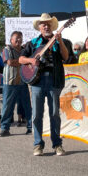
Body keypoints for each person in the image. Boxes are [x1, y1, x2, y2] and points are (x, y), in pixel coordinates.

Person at [19, 13, 68, 156]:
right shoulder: (32, 43)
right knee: (36, 115)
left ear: (52, 26)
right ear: (39, 27)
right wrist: (31, 61)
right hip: (37, 82)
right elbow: (21, 59)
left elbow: (65, 56)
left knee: (54, 114)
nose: (46, 26)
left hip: (54, 80)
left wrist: (60, 41)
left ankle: (57, 144)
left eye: (48, 24)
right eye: (43, 24)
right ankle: (38, 145)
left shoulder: (60, 41)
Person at [0, 31, 32, 137]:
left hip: (23, 82)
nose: (18, 40)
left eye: (20, 38)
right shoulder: (7, 49)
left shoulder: (24, 50)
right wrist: (25, 61)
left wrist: (26, 60)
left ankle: (31, 127)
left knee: (28, 106)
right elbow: (10, 62)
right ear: (11, 40)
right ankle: (5, 128)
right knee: (7, 107)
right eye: (16, 38)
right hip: (10, 83)